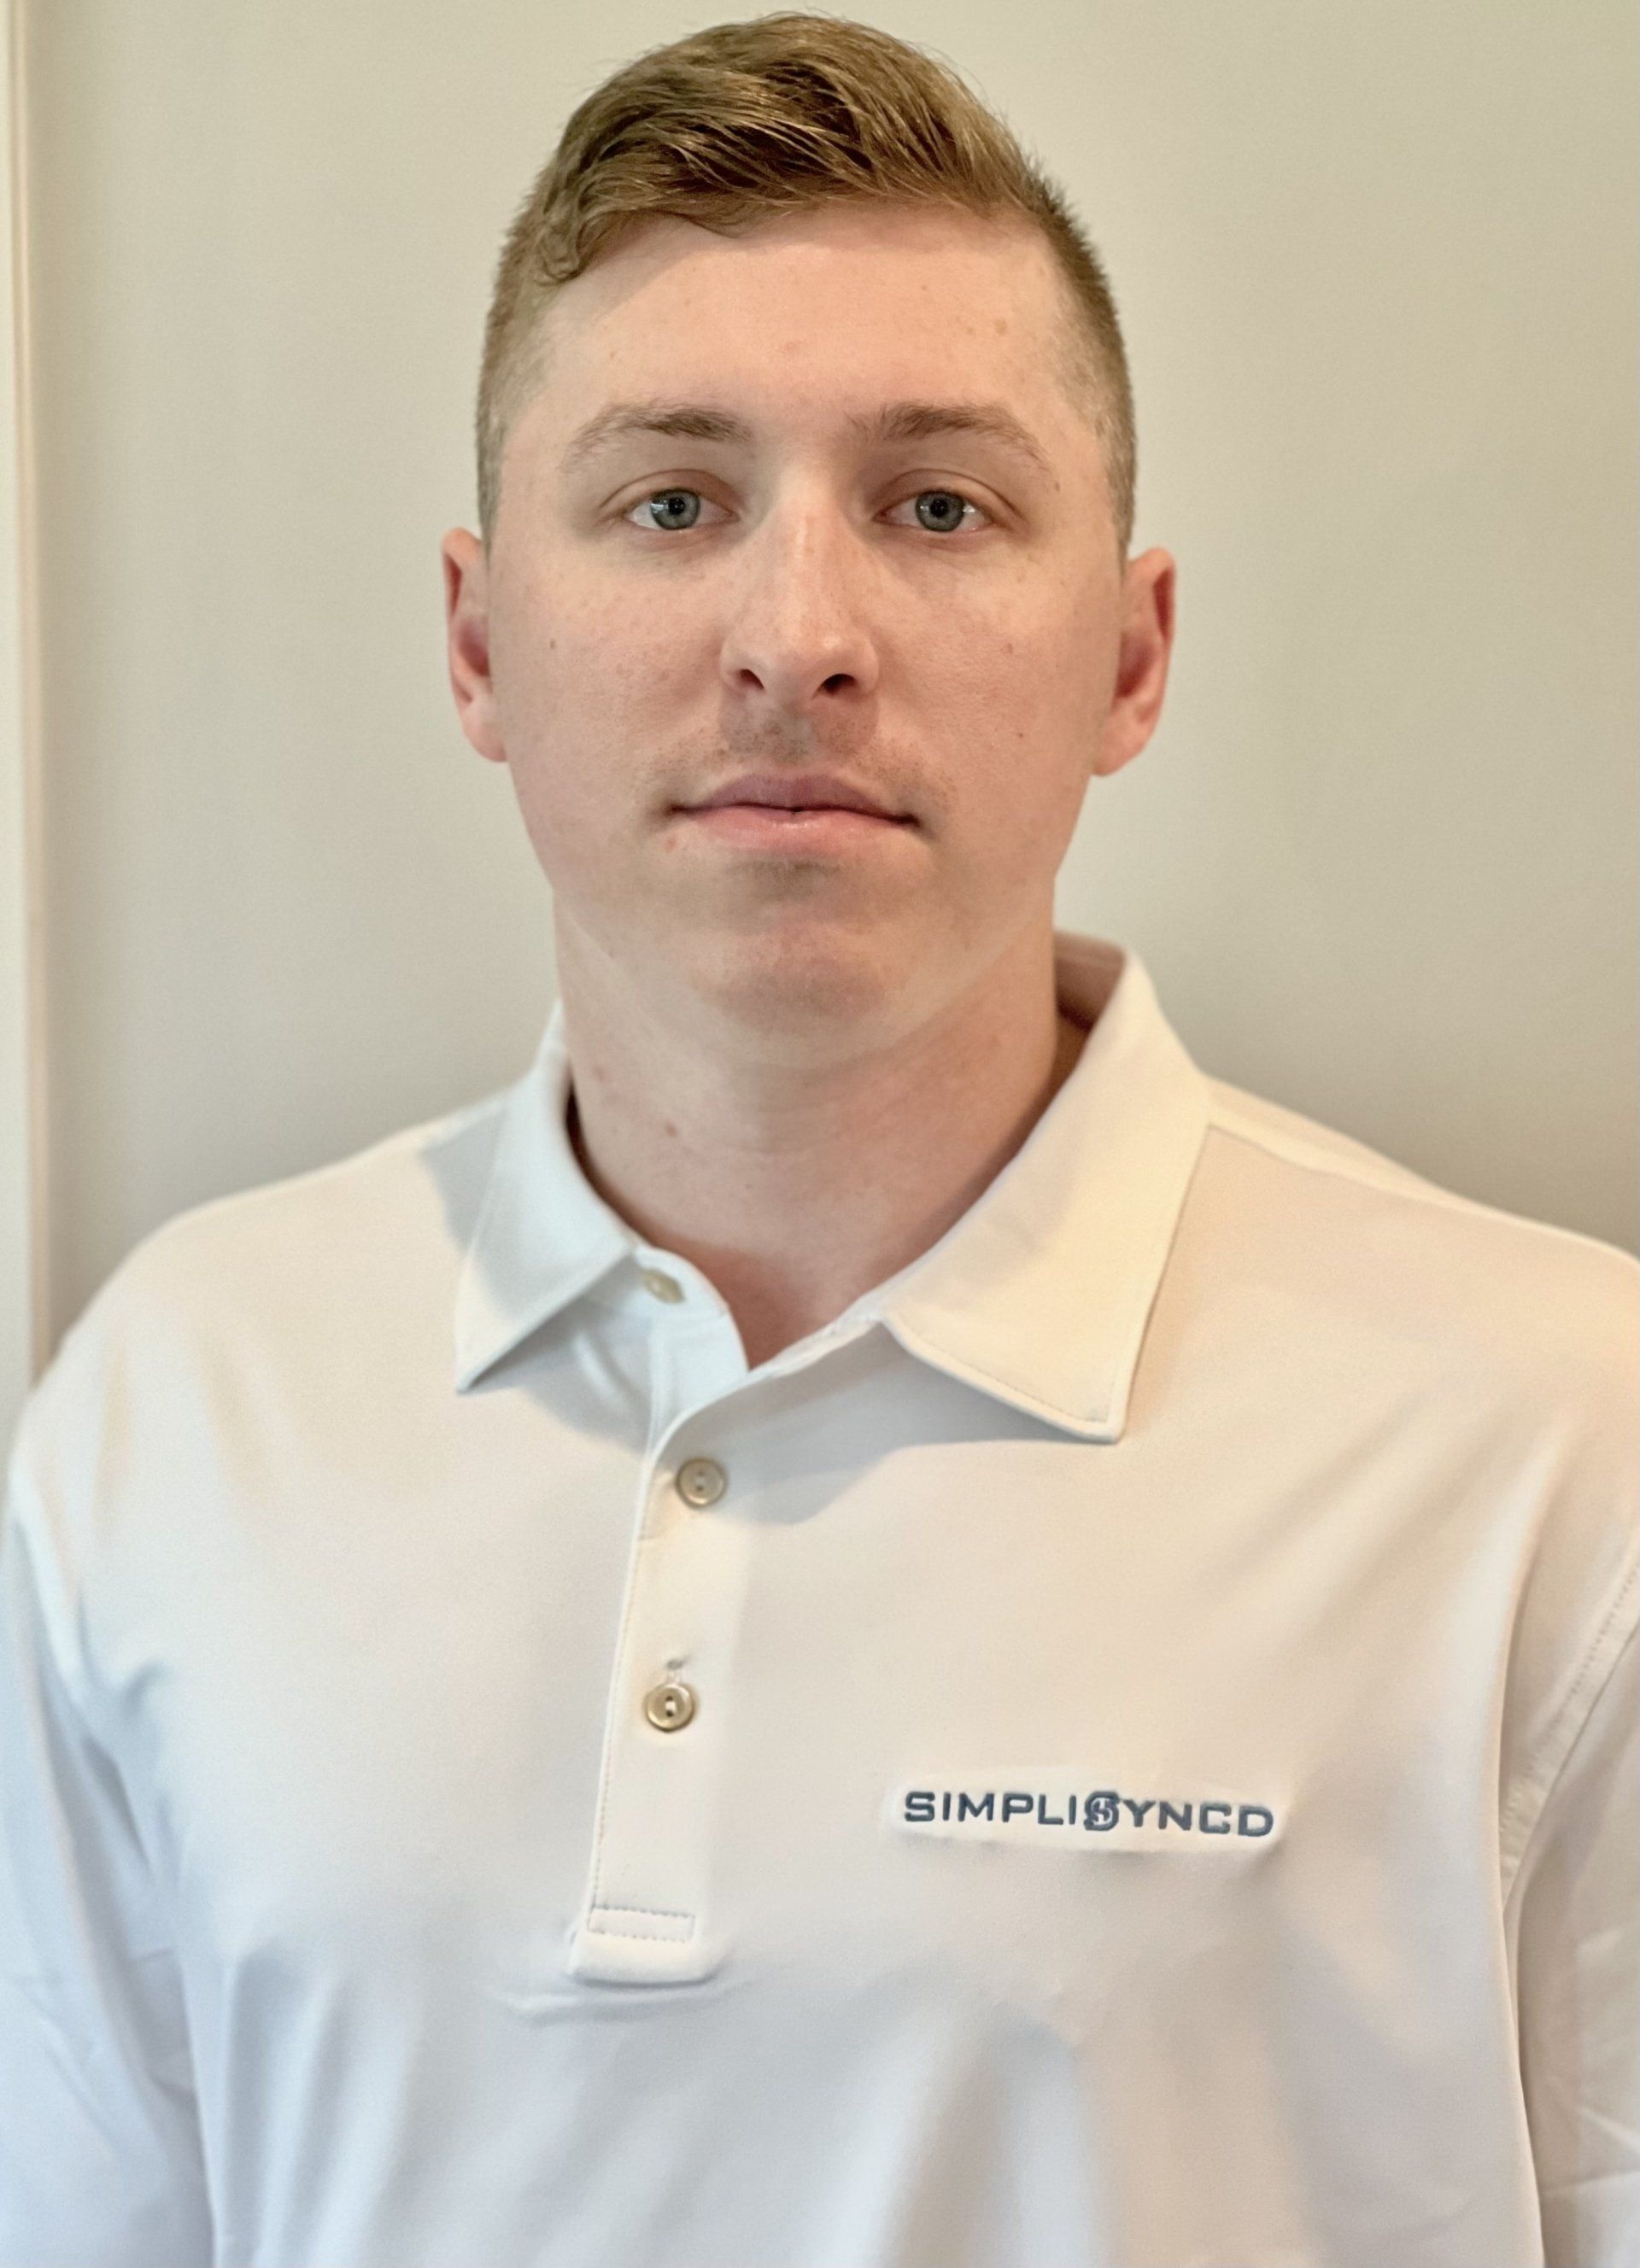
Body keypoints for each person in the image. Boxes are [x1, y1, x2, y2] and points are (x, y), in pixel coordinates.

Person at [1, 12, 1634, 2265]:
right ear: (479, 640)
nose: (801, 634)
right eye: (672, 499)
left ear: (1132, 659)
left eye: (938, 503)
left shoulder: (1562, 1448)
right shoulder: (178, 1409)